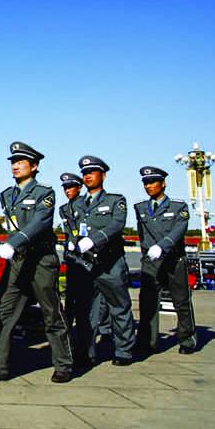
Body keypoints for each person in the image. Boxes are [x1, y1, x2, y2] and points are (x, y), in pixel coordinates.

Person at [0, 142, 73, 383]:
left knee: (52, 313)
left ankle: (63, 364)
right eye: (13, 162)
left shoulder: (44, 193)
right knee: (3, 313)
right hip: (18, 262)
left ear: (34, 166)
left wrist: (14, 242)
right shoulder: (7, 195)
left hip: (40, 260)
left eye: (21, 162)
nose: (15, 166)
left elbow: (40, 222)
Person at [71, 155, 135, 367]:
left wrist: (94, 240)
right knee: (85, 311)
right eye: (84, 173)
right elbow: (73, 228)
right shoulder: (77, 204)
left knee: (119, 307)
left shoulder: (115, 201)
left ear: (103, 175)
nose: (87, 176)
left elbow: (116, 225)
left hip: (110, 263)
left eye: (92, 172)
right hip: (87, 265)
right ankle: (85, 352)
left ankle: (123, 350)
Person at [133, 166, 197, 355]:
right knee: (147, 302)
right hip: (151, 262)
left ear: (163, 183)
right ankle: (147, 341)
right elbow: (142, 233)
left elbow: (179, 230)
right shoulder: (140, 207)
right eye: (145, 183)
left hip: (173, 260)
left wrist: (162, 246)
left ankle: (187, 339)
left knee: (181, 301)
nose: (148, 186)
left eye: (152, 182)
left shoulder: (178, 207)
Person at [59, 172, 109, 334]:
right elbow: (69, 230)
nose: (67, 190)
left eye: (71, 187)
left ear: (79, 188)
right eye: (65, 188)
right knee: (71, 296)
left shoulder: (85, 205)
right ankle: (69, 330)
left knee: (96, 296)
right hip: (73, 256)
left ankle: (104, 329)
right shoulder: (63, 209)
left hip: (89, 254)